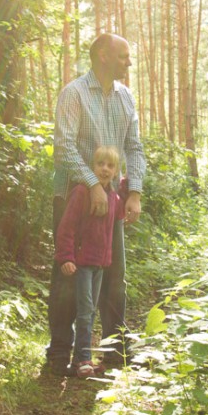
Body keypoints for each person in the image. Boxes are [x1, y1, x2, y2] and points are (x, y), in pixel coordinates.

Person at [47, 33, 146, 376]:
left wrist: (133, 192)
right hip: (74, 197)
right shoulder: (73, 94)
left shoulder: (126, 97)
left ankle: (115, 351)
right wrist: (92, 184)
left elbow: (134, 147)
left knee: (113, 273)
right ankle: (60, 355)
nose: (128, 63)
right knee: (68, 275)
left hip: (110, 204)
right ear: (102, 56)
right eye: (123, 56)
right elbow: (63, 148)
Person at [55, 146, 122, 378]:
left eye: (110, 166)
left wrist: (133, 189)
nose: (104, 169)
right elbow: (67, 227)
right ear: (93, 167)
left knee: (90, 311)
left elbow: (120, 214)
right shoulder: (82, 192)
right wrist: (66, 257)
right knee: (85, 311)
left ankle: (81, 359)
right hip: (82, 262)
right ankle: (82, 359)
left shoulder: (113, 197)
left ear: (115, 172)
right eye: (100, 164)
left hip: (100, 264)